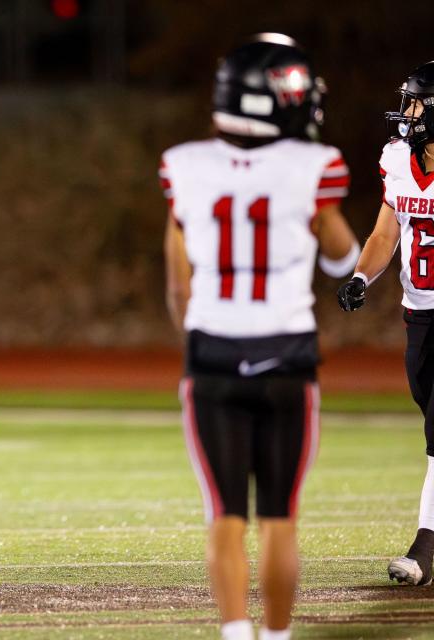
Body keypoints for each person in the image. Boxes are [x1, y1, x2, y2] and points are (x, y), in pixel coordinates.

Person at [163, 34, 359, 640]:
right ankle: (276, 636)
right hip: (287, 355)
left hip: (213, 352)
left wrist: (202, 336)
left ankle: (235, 633)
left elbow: (178, 289)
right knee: (280, 518)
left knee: (224, 517)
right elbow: (342, 257)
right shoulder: (315, 166)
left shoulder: (183, 164)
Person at [338, 60, 434, 587]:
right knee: (429, 411)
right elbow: (384, 233)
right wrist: (360, 278)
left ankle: (425, 548)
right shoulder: (398, 159)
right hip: (419, 312)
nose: (408, 113)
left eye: (417, 103)